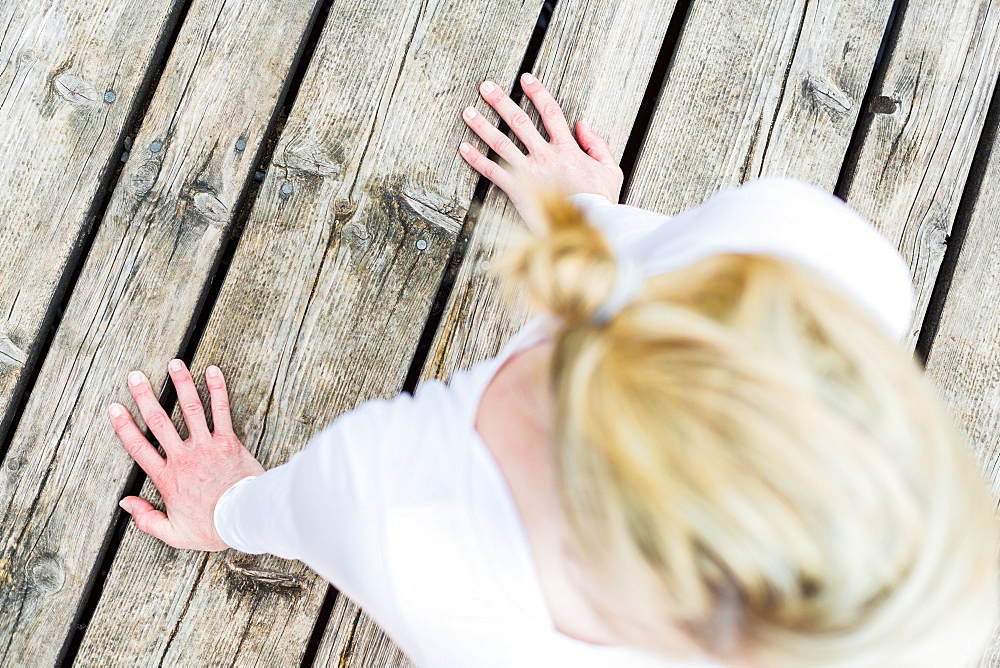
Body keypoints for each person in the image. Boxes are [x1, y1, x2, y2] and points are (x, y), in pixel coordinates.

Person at [109, 73, 1000, 667]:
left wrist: (228, 504)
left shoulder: (398, 512)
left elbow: (298, 510)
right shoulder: (833, 259)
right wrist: (586, 214)